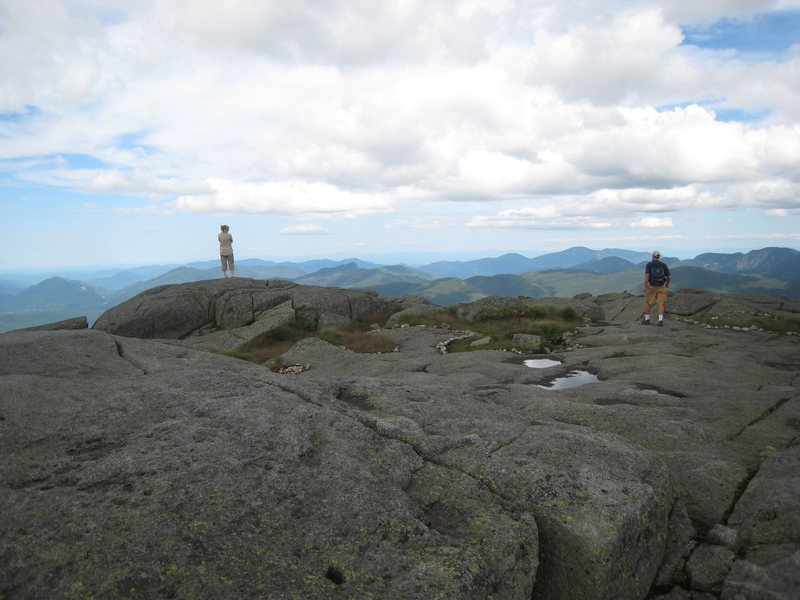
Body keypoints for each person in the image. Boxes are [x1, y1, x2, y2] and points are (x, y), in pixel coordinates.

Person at [642, 250, 671, 326]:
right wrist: (667, 284)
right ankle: (660, 320)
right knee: (661, 303)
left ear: (652, 256)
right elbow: (669, 277)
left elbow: (647, 276)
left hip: (652, 286)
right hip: (661, 286)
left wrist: (645, 286)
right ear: (659, 257)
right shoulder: (663, 265)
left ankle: (647, 319)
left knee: (648, 302)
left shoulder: (649, 264)